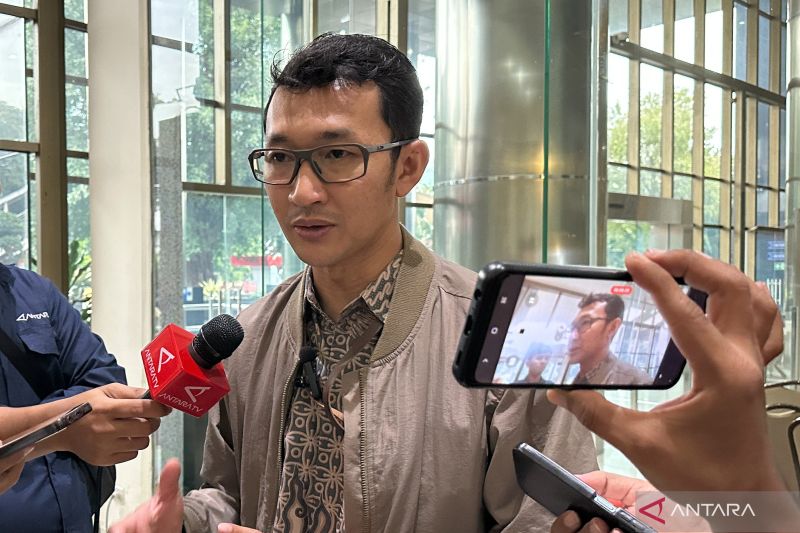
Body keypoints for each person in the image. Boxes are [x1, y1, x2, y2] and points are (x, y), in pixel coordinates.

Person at [111, 33, 597, 533]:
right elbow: (232, 493)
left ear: (407, 167)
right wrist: (185, 523)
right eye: (279, 158)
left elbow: (545, 522)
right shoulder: (250, 337)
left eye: (338, 154)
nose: (302, 192)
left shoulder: (511, 339)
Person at [545, 249, 800, 532]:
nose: (574, 334)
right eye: (574, 325)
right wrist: (711, 515)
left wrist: (746, 495)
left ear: (612, 328)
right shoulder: (566, 373)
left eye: (585, 323)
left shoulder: (629, 375)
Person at [0, 261, 171, 532]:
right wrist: (67, 426)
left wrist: (27, 422)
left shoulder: (34, 292)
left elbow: (105, 379)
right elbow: (93, 402)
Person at [526, 293, 650, 385]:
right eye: (573, 328)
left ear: (612, 328)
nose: (573, 337)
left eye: (585, 322)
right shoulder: (579, 380)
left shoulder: (635, 381)